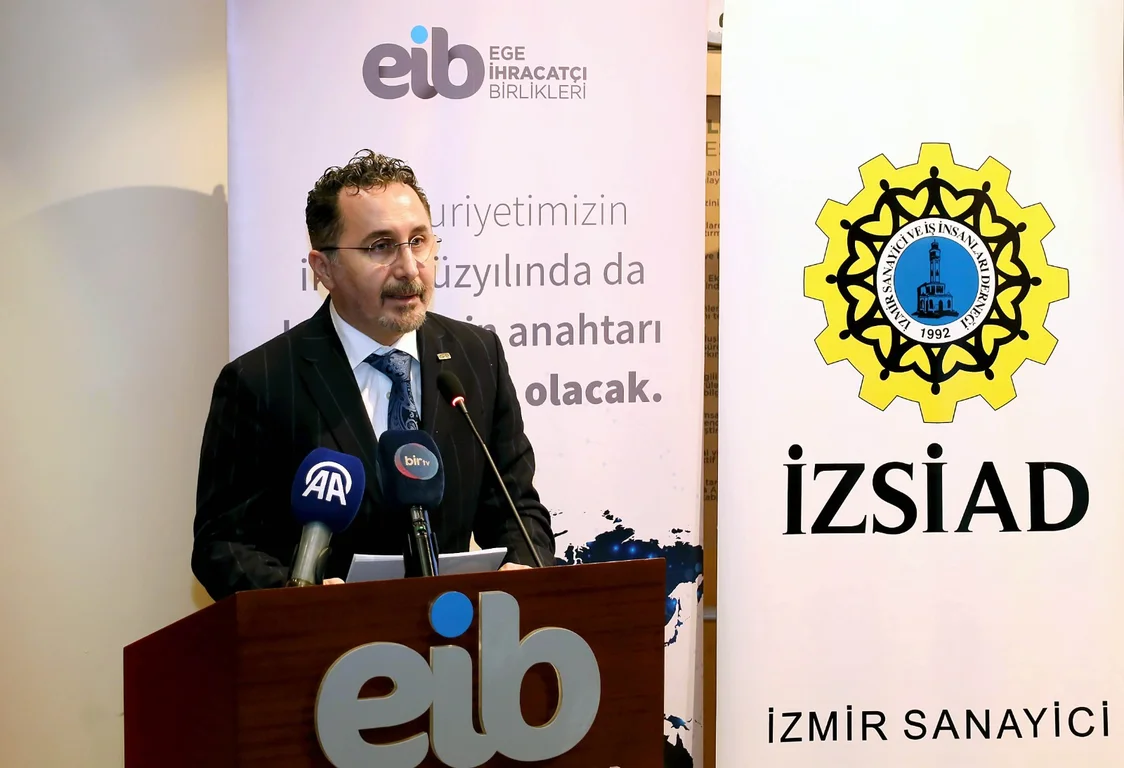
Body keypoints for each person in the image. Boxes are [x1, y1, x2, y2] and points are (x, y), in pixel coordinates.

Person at [191, 150, 555, 601]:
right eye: (380, 247)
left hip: (460, 634)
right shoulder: (259, 381)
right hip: (328, 641)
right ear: (325, 268)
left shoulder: (476, 356)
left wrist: (524, 568)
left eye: (418, 241)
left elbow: (517, 508)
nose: (409, 268)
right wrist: (297, 598)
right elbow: (223, 545)